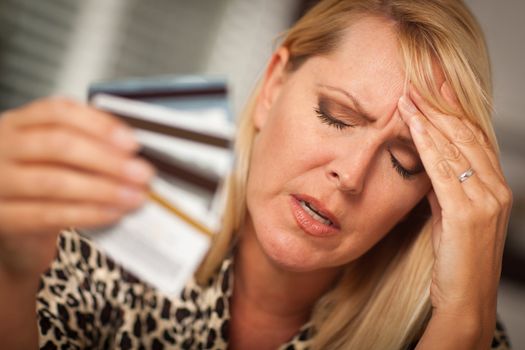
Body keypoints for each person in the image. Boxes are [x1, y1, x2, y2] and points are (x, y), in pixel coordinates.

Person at [0, 0, 513, 349]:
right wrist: (11, 279)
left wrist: (462, 323)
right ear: (271, 86)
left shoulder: (460, 329)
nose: (351, 176)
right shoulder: (116, 217)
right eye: (336, 114)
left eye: (405, 162)